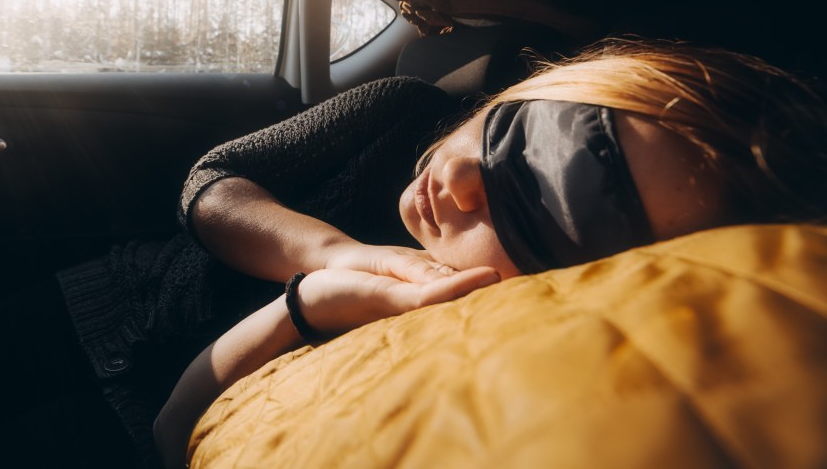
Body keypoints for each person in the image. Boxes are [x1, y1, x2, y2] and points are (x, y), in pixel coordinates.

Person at [147, 37, 827, 468]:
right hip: (116, 293)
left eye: (549, 211)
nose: (461, 177)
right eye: (521, 128)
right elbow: (213, 181)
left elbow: (172, 433)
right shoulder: (403, 105)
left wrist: (307, 307)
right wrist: (333, 254)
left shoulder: (465, 334)